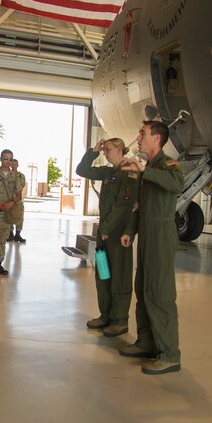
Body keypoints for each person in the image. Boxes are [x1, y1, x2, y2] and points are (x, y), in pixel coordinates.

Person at [119, 121, 184, 375]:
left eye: (142, 134)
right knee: (144, 291)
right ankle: (147, 343)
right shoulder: (149, 168)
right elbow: (140, 206)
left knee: (160, 294)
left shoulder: (167, 165)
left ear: (156, 138)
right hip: (146, 235)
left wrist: (144, 170)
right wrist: (129, 231)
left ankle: (169, 355)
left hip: (161, 236)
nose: (138, 138)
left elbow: (176, 184)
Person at [76, 138, 139, 338]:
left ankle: (119, 320)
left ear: (120, 149)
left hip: (118, 233)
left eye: (108, 150)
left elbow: (125, 204)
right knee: (103, 274)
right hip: (104, 231)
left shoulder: (130, 169)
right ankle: (106, 315)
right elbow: (82, 170)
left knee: (119, 277)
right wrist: (93, 152)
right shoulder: (108, 172)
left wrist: (108, 228)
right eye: (104, 150)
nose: (105, 153)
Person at [7, 158, 27, 243]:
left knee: (19, 216)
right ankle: (10, 233)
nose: (14, 165)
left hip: (18, 199)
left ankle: (18, 234)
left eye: (15, 164)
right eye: (12, 164)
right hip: (9, 199)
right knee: (9, 216)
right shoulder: (7, 175)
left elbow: (21, 185)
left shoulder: (21, 176)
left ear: (18, 165)